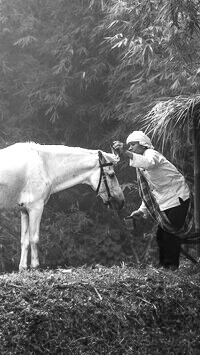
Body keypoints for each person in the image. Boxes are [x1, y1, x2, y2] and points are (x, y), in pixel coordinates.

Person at [113, 131, 193, 270]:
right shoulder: (141, 166)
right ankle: (164, 268)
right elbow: (150, 191)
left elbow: (148, 162)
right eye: (128, 146)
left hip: (178, 198)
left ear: (143, 144)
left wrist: (125, 153)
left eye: (132, 144)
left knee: (169, 235)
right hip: (165, 202)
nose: (130, 148)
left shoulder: (151, 154)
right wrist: (141, 211)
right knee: (161, 236)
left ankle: (171, 268)